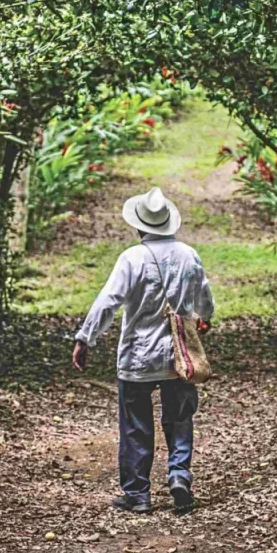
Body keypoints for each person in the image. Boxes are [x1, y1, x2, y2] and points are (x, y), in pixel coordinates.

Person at [72, 187, 215, 513]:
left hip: (137, 356)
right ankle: (179, 475)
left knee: (135, 423)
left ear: (139, 226)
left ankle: (137, 493)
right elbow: (204, 298)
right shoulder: (189, 255)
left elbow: (108, 302)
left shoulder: (131, 258)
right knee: (180, 417)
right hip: (179, 354)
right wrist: (204, 318)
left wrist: (85, 338)